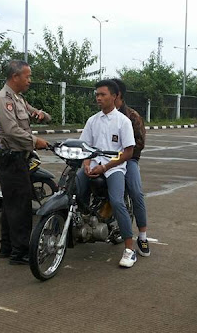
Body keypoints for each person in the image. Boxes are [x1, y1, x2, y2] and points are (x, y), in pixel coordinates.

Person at [0, 60, 51, 265]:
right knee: (21, 206)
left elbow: (34, 112)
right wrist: (37, 142)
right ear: (15, 77)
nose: (30, 80)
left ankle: (7, 247)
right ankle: (21, 252)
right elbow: (11, 131)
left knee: (11, 205)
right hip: (12, 158)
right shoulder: (3, 99)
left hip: (18, 158)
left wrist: (42, 115)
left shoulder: (18, 98)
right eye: (27, 76)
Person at [75, 79, 137, 268]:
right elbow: (85, 146)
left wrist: (106, 167)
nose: (98, 98)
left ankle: (129, 249)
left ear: (114, 96)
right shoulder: (92, 120)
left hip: (114, 167)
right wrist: (86, 163)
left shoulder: (123, 121)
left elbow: (128, 152)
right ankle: (82, 221)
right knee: (74, 187)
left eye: (102, 94)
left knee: (117, 201)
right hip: (93, 165)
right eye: (97, 95)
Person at [111, 78, 150, 257]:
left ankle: (142, 235)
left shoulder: (132, 116)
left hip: (129, 160)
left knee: (136, 192)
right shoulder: (102, 116)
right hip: (106, 159)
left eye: (105, 93)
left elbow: (139, 144)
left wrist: (122, 153)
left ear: (117, 95)